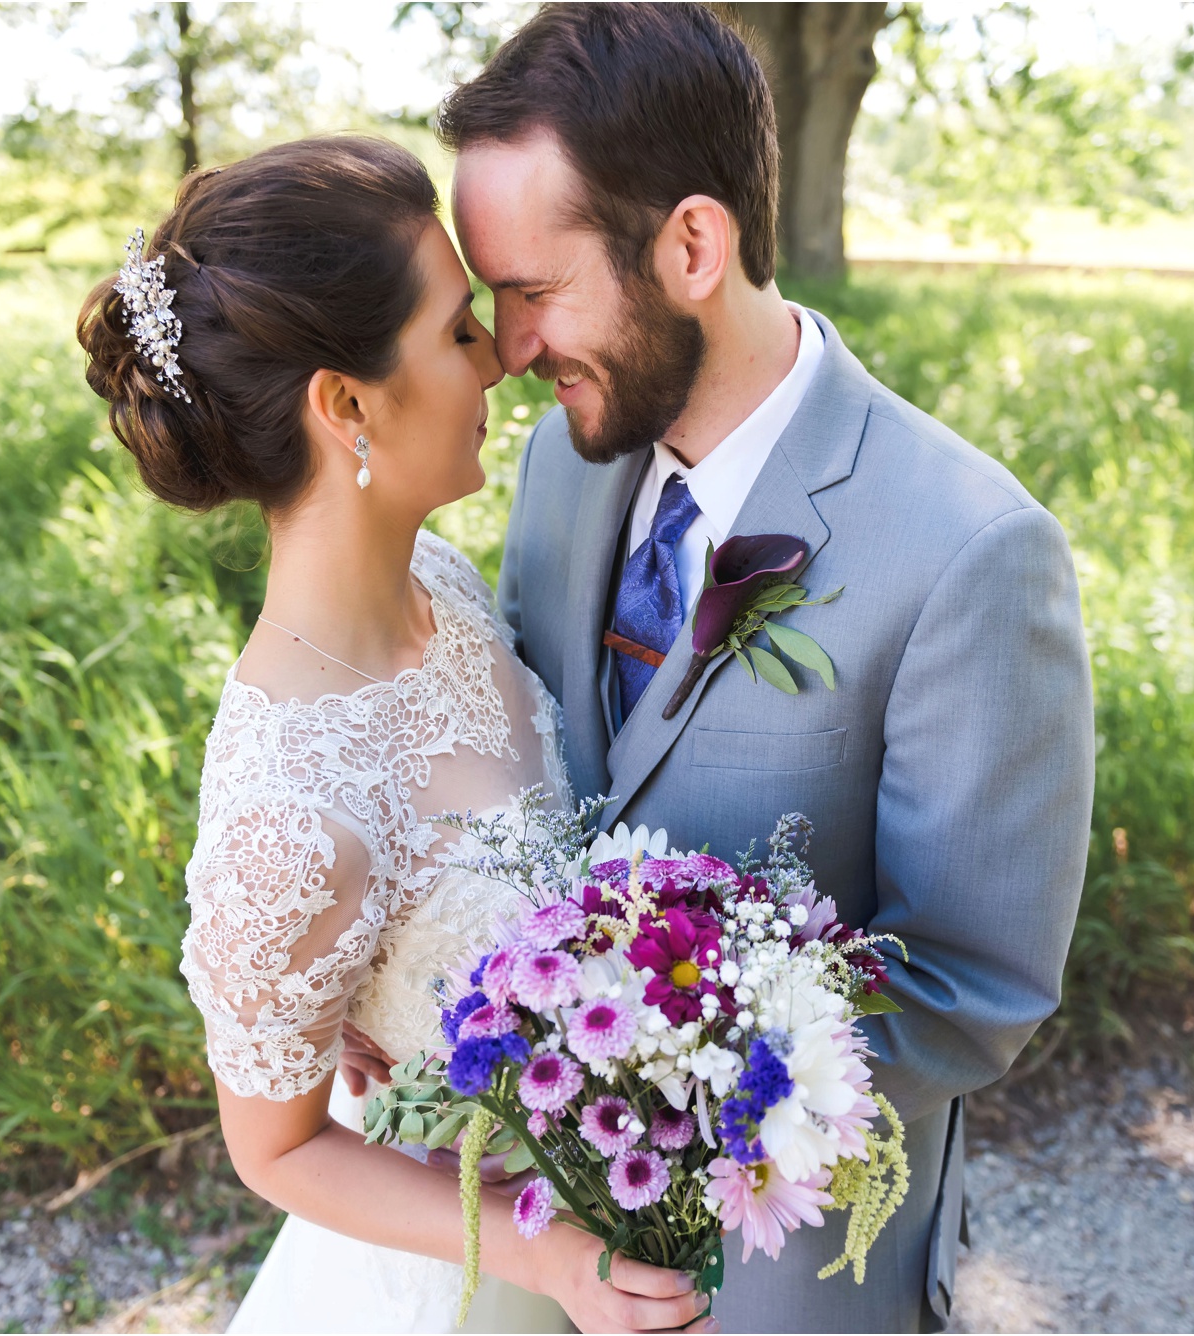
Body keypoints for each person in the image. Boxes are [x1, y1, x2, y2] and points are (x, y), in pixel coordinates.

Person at [440, 5, 1096, 1330]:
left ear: (693, 244)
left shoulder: (971, 552)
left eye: (534, 293)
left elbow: (974, 988)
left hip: (791, 1283)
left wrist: (657, 1107)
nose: (509, 353)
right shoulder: (564, 464)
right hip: (534, 1252)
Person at [77, 136, 717, 1335]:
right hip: (473, 1286)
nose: (502, 361)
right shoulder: (292, 807)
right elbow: (278, 1149)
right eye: (457, 330)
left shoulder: (442, 579)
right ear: (344, 402)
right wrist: (559, 1257)